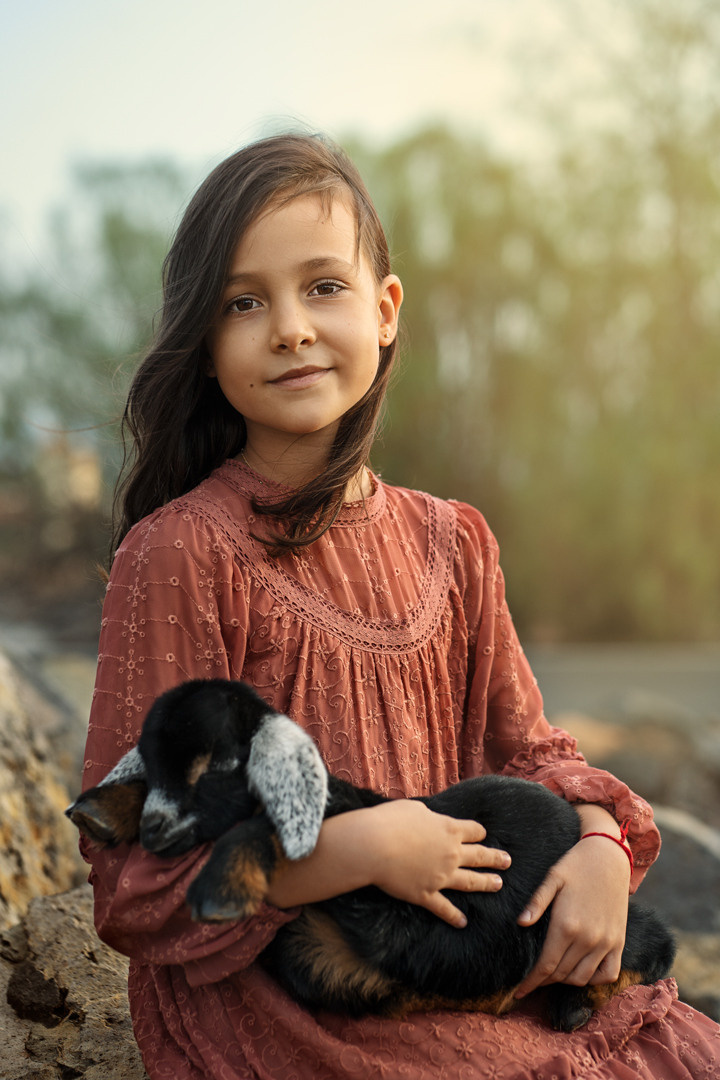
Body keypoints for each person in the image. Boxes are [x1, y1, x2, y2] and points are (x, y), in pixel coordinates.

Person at [80, 132, 719, 1079]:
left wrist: (596, 849)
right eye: (244, 302)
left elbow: (535, 755)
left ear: (384, 313)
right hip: (305, 1004)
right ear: (207, 348)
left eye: (323, 287)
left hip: (465, 954)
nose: (291, 327)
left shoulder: (453, 541)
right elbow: (131, 883)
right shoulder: (179, 553)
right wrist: (362, 847)